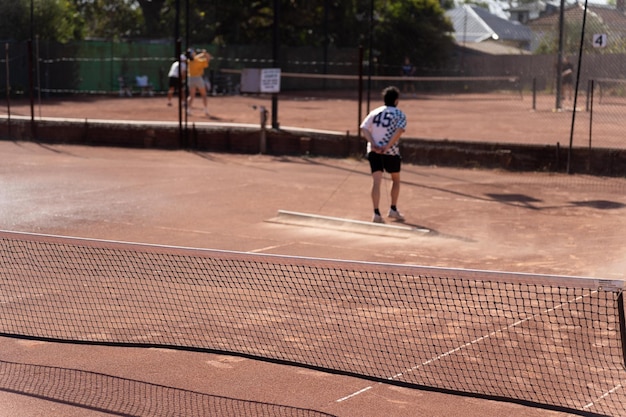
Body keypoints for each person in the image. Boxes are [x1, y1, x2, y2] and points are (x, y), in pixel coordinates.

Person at [360, 86, 407, 224]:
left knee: (376, 181)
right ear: (396, 100)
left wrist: (373, 144)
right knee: (396, 179)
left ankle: (376, 213)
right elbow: (399, 130)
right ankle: (393, 208)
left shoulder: (374, 112)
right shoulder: (399, 114)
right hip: (391, 152)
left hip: (373, 151)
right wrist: (387, 146)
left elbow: (363, 128)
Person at [186, 48, 211, 116]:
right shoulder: (198, 61)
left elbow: (195, 57)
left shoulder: (189, 61)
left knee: (191, 95)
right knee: (204, 94)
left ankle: (188, 110)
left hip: (190, 78)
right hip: (198, 78)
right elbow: (207, 59)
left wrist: (202, 54)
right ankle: (206, 110)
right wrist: (205, 54)